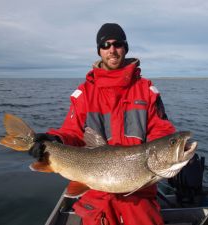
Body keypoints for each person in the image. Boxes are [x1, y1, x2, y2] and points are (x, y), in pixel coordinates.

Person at [29, 23, 176, 225]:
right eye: (105, 45)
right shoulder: (84, 93)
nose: (112, 50)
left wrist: (175, 153)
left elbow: (162, 131)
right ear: (99, 50)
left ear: (125, 48)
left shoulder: (146, 90)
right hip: (95, 196)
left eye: (117, 44)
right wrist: (54, 139)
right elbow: (71, 131)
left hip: (139, 194)